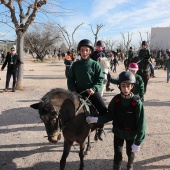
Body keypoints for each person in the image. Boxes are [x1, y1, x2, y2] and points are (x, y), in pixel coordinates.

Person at [86, 71, 146, 170]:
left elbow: (141, 123)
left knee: (130, 153)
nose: (126, 89)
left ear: (132, 86)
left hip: (131, 134)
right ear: (119, 86)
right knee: (117, 155)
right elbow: (109, 115)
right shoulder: (116, 100)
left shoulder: (137, 102)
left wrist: (138, 142)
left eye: (128, 86)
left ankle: (129, 166)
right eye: (123, 86)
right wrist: (97, 119)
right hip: (118, 132)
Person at [67, 39, 107, 141]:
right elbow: (70, 79)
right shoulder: (75, 65)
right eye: (82, 50)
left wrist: (94, 88)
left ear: (90, 51)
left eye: (86, 50)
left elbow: (100, 79)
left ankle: (100, 129)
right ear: (79, 51)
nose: (84, 52)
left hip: (92, 93)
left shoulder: (95, 64)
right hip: (78, 93)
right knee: (65, 109)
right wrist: (73, 91)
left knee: (103, 109)